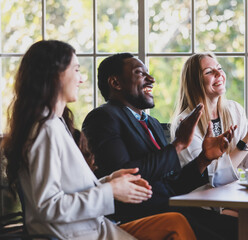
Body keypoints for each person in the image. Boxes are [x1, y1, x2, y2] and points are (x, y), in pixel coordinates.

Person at [2, 40, 196, 239]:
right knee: (178, 224)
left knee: (176, 223)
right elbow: (48, 207)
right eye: (76, 70)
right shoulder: (45, 129)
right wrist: (110, 190)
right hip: (80, 235)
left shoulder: (55, 125)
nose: (81, 79)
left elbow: (70, 192)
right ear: (54, 76)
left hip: (94, 228)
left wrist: (109, 182)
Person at [82, 53, 237, 239]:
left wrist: (204, 158)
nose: (151, 79)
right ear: (116, 83)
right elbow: (124, 176)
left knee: (244, 227)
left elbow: (171, 187)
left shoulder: (153, 123)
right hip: (142, 219)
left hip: (173, 210)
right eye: (140, 73)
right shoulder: (103, 117)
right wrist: (178, 145)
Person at [171, 53, 248, 187]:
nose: (218, 74)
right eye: (209, 72)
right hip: (204, 201)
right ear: (195, 82)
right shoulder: (185, 123)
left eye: (219, 68)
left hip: (235, 195)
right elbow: (212, 178)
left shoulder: (234, 109)